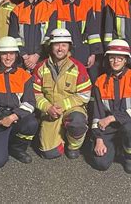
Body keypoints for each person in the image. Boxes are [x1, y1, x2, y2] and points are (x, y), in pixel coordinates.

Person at [0, 36, 38, 168]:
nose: (8, 57)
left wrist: (13, 117)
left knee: (31, 123)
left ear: (17, 55)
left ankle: (16, 147)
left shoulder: (24, 76)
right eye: (4, 53)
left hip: (15, 116)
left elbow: (29, 102)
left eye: (11, 53)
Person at [33, 29, 91, 159]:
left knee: (77, 122)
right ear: (51, 46)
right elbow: (35, 94)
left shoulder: (78, 67)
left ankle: (73, 146)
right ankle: (62, 134)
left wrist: (62, 105)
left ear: (69, 47)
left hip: (72, 108)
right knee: (49, 153)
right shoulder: (41, 67)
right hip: (51, 111)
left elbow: (84, 95)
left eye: (64, 45)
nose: (60, 49)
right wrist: (48, 108)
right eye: (56, 44)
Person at [90, 39, 131, 174]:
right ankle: (115, 146)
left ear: (126, 60)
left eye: (120, 58)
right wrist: (98, 138)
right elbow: (96, 113)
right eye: (112, 58)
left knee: (129, 129)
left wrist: (112, 118)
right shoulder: (100, 81)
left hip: (130, 124)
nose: (115, 62)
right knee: (101, 164)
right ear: (108, 59)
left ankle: (130, 157)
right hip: (109, 128)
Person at [46, 0, 100, 75]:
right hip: (62, 53)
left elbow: (93, 32)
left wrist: (93, 54)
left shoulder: (86, 5)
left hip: (83, 52)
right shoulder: (55, 5)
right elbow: (50, 31)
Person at [82, 0, 122, 81]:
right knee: (94, 83)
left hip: (113, 49)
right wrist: (90, 51)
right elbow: (84, 26)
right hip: (93, 50)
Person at [9, 0, 52, 71]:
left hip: (43, 59)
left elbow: (50, 35)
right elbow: (14, 36)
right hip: (21, 61)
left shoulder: (50, 9)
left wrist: (37, 55)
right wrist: (25, 57)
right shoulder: (17, 10)